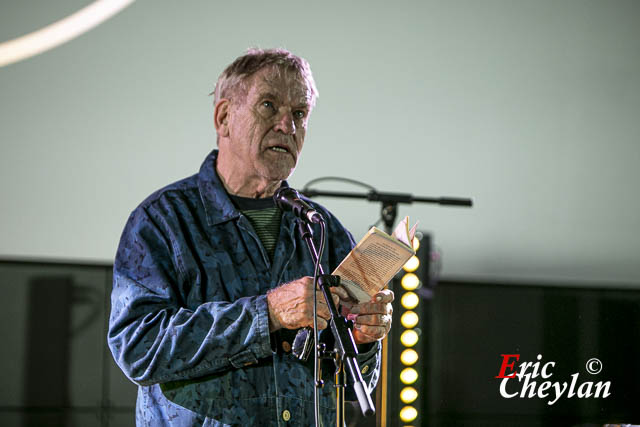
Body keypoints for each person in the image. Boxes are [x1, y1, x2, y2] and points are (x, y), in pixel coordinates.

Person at [108, 48, 393, 426]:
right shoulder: (162, 221)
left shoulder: (321, 228)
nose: (287, 126)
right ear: (224, 117)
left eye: (299, 114)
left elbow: (351, 389)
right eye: (269, 106)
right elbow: (138, 348)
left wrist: (364, 341)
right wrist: (268, 313)